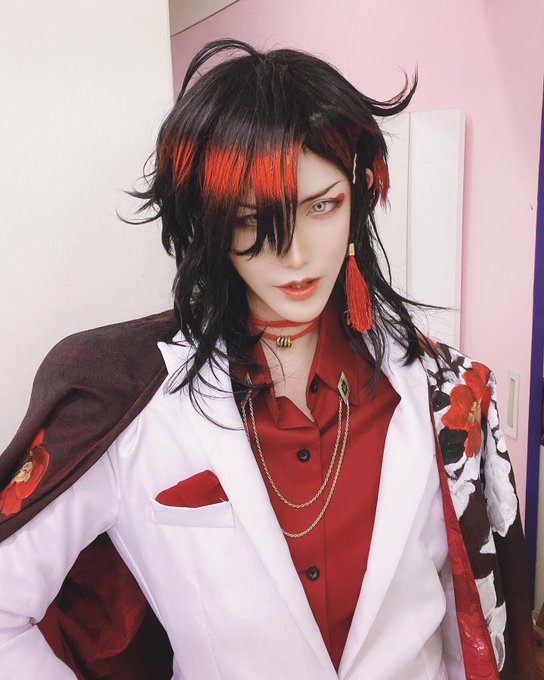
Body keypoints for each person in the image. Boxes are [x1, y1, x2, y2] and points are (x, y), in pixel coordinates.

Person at [0, 38, 535, 680]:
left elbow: (473, 617)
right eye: (253, 218)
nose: (296, 255)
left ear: (360, 193)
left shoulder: (449, 395)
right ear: (208, 219)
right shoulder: (124, 401)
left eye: (322, 206)